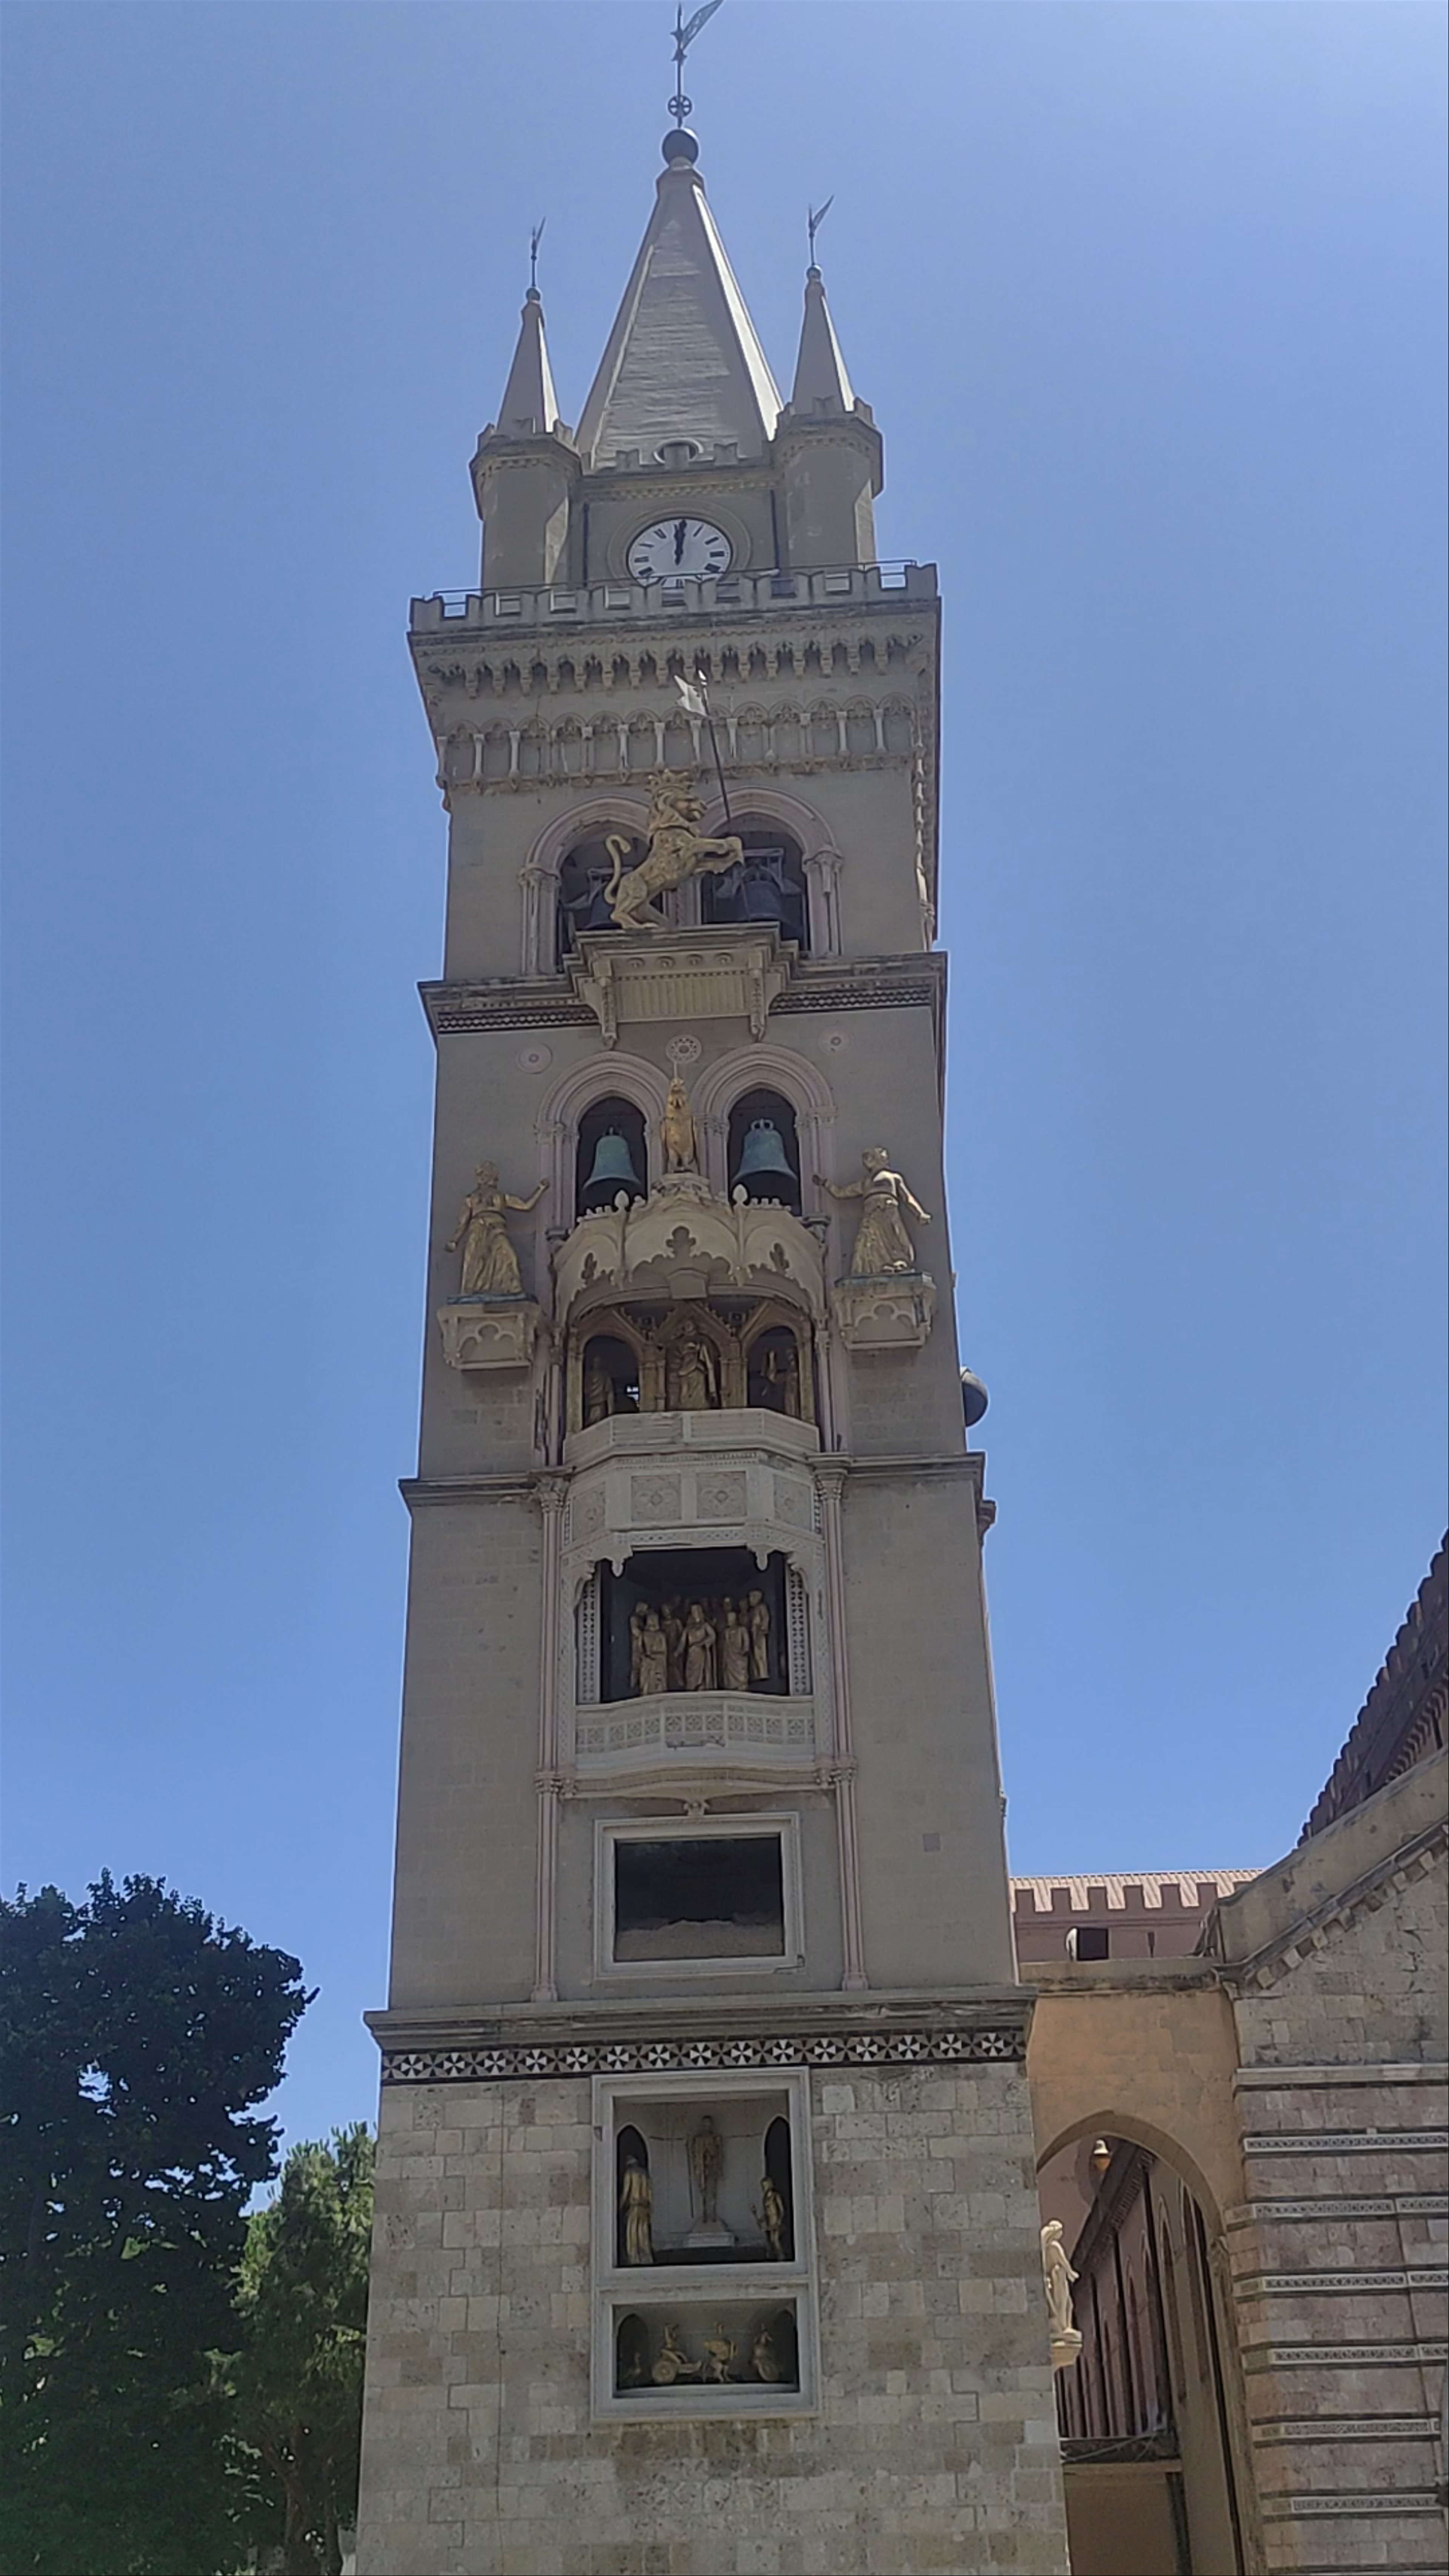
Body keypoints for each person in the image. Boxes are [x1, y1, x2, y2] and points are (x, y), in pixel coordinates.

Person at [815, 1146, 930, 1278]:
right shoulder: (866, 1182)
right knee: (870, 1242)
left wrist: (920, 1214)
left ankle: (899, 1262)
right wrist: (825, 1183)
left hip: (888, 1211)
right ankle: (871, 1269)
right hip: (871, 1215)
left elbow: (907, 1198)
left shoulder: (894, 1177)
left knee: (895, 1236)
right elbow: (841, 1193)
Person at [446, 1163, 547, 1297]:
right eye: (481, 1175)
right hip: (478, 1230)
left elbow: (526, 1206)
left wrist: (541, 1189)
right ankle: (472, 1293)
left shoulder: (502, 1197)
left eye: (486, 1175)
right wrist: (454, 1241)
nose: (483, 1178)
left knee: (509, 1256)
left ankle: (512, 1289)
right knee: (476, 1263)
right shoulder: (471, 1199)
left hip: (497, 1230)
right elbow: (462, 1223)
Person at [618, 2155, 654, 2266]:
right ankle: (646, 2257)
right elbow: (650, 2192)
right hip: (644, 2207)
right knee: (643, 2234)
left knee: (633, 2233)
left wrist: (620, 2206)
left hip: (634, 2206)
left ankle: (634, 2258)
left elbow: (626, 2191)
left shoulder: (630, 2173)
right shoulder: (644, 2173)